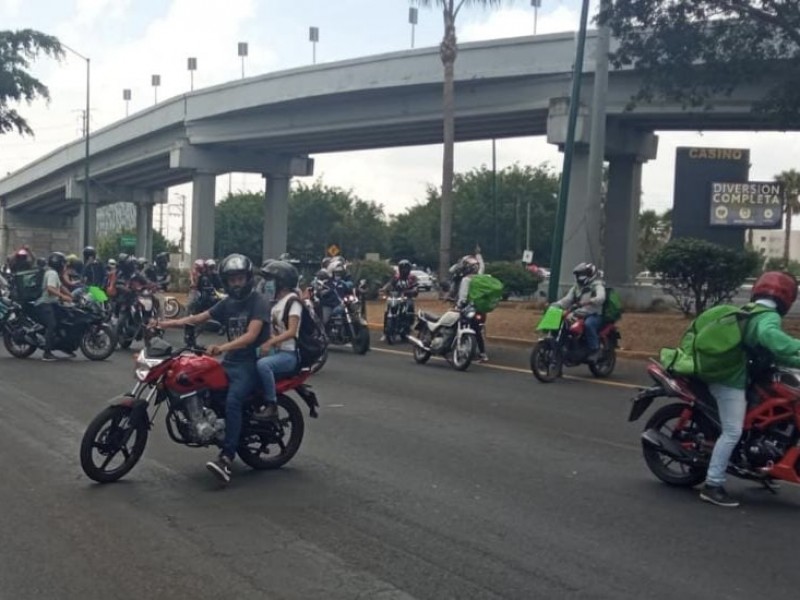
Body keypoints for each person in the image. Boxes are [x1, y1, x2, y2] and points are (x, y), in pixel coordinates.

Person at [158, 253, 270, 485]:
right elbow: (199, 317)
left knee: (233, 401)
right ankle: (212, 427)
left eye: (240, 278)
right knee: (203, 386)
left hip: (250, 363)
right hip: (230, 361)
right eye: (232, 279)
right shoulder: (227, 303)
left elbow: (251, 336)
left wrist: (221, 347)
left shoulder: (258, 301)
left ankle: (227, 457)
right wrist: (165, 324)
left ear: (248, 278)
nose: (236, 283)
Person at [699, 271, 800, 508]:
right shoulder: (768, 317)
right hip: (728, 378)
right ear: (788, 297)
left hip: (740, 374)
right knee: (733, 430)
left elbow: (777, 351)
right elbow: (771, 337)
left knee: (769, 415)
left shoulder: (753, 311)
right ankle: (712, 485)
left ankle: (766, 464)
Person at [254, 260, 302, 420]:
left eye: (270, 281)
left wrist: (270, 343)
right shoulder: (276, 303)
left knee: (263, 365)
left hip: (289, 355)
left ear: (281, 283)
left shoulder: (292, 301)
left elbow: (291, 331)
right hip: (277, 351)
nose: (267, 284)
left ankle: (271, 404)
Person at [551, 262, 606, 363]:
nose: (580, 277)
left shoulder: (597, 285)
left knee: (588, 325)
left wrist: (591, 300)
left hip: (594, 314)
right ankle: (563, 350)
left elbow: (601, 297)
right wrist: (556, 305)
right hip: (579, 313)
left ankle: (595, 350)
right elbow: (567, 300)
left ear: (590, 274)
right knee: (564, 324)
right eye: (579, 274)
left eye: (583, 274)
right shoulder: (576, 287)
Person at [36, 252, 74, 361]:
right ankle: (46, 353)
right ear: (58, 264)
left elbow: (61, 287)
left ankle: (64, 347)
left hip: (52, 303)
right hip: (45, 303)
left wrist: (72, 296)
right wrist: (63, 297)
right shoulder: (52, 273)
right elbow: (50, 288)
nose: (64, 266)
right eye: (63, 263)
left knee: (62, 321)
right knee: (52, 324)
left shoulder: (54, 273)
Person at [454, 248, 488, 362]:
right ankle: (483, 353)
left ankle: (459, 347)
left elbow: (463, 297)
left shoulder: (466, 279)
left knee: (459, 325)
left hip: (467, 309)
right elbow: (482, 266)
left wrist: (458, 306)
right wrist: (479, 255)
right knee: (477, 330)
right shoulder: (480, 277)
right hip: (480, 310)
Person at [380, 259, 418, 341]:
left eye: (406, 268)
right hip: (396, 297)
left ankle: (408, 327)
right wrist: (384, 289)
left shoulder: (412, 278)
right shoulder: (396, 277)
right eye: (403, 268)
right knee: (387, 310)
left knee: (410, 306)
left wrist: (414, 290)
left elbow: (416, 286)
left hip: (407, 297)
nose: (404, 270)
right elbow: (389, 284)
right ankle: (385, 332)